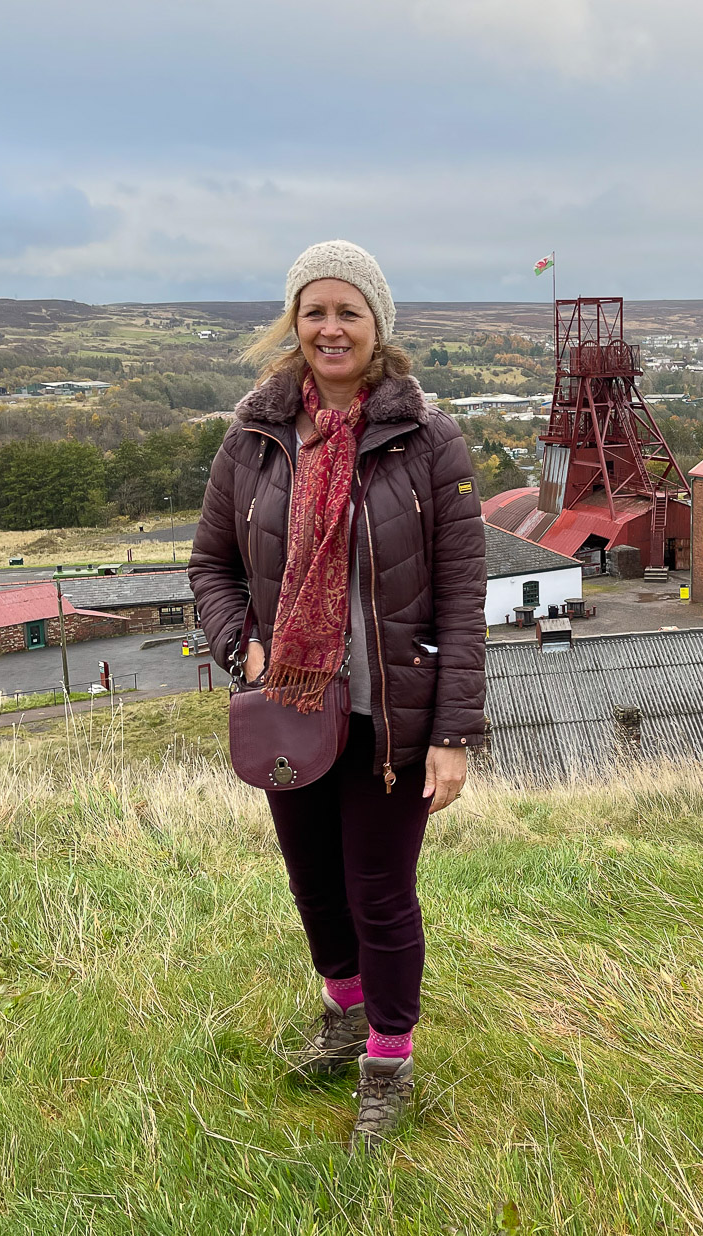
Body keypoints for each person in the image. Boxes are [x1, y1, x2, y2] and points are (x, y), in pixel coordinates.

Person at [189, 240, 487, 1152]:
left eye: (347, 311)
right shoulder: (254, 438)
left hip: (393, 718)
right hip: (291, 708)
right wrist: (242, 646)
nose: (329, 328)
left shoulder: (429, 441)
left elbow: (458, 597)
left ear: (377, 326)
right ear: (293, 322)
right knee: (314, 882)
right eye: (314, 311)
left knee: (380, 892)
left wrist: (454, 731)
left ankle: (387, 1063)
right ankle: (344, 1013)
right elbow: (211, 566)